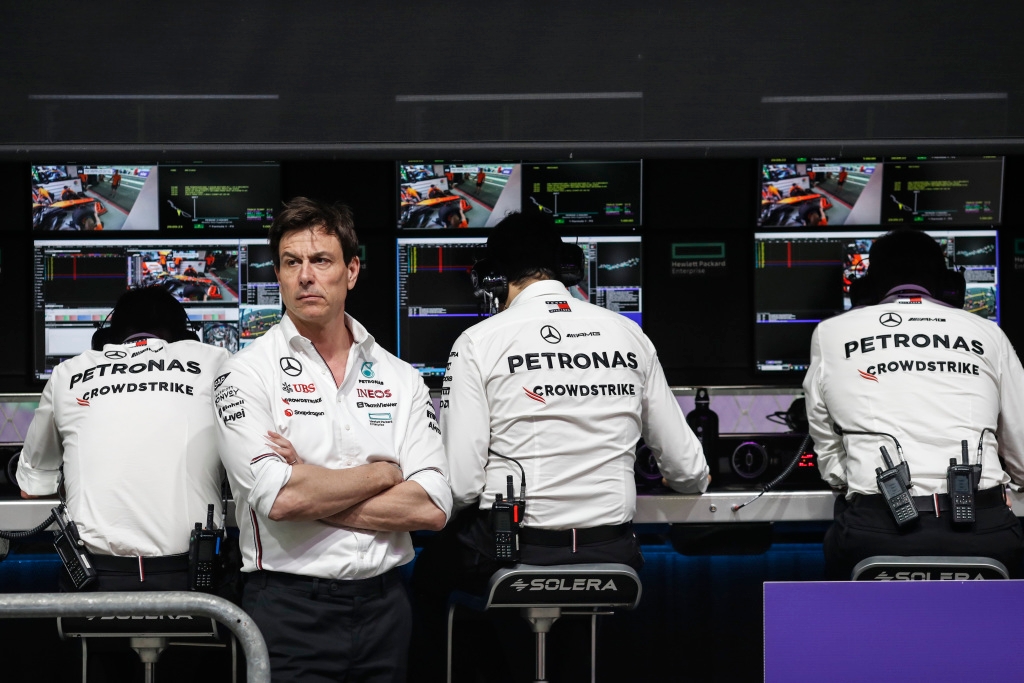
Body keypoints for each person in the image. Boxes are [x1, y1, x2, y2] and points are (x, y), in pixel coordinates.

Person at [412, 211, 708, 681]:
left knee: (422, 578)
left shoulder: (478, 341)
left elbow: (463, 485)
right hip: (612, 556)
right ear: (567, 268)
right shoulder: (629, 334)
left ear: (493, 277)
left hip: (516, 554)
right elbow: (690, 472)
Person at [213, 196, 452, 682]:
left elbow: (431, 507)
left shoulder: (401, 377)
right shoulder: (243, 374)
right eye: (291, 262)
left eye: (321, 260)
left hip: (387, 609)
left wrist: (310, 480)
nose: (305, 276)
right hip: (289, 611)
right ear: (278, 275)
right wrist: (384, 474)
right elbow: (280, 499)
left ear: (352, 271)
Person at [803, 229, 1024, 579]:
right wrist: (1004, 489)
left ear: (865, 288)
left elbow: (826, 443)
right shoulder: (988, 333)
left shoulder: (830, 333)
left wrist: (854, 482)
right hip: (984, 530)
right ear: (950, 286)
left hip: (874, 532)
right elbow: (1022, 453)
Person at [16, 285, 229, 591]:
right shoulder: (216, 361)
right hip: (193, 581)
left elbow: (31, 488)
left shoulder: (67, 373)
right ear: (186, 337)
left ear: (108, 337)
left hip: (95, 580)